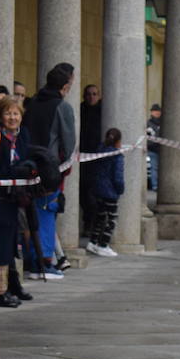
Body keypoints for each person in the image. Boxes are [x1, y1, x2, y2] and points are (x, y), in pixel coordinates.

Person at [0, 94, 38, 308]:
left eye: (16, 113)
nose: (12, 117)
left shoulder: (24, 136)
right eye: (8, 113)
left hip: (16, 197)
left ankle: (7, 288)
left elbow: (28, 157)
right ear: (0, 115)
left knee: (10, 242)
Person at [22, 63, 76, 280]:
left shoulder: (32, 103)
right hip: (49, 168)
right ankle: (43, 264)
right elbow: (69, 142)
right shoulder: (62, 107)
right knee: (46, 214)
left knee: (32, 214)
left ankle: (33, 260)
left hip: (27, 165)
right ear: (64, 86)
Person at [86, 127, 124, 258]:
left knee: (99, 217)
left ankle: (93, 241)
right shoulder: (117, 156)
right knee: (111, 219)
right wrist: (120, 189)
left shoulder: (100, 151)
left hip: (98, 189)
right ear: (118, 142)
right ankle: (103, 245)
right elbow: (118, 176)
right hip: (110, 191)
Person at [79, 83, 103, 244]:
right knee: (83, 193)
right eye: (89, 94)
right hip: (81, 156)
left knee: (94, 195)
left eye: (95, 94)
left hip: (97, 157)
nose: (91, 97)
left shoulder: (103, 111)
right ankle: (88, 222)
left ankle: (94, 224)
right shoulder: (80, 109)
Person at [146, 103, 163, 191]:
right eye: (154, 111)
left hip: (162, 149)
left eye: (158, 111)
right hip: (152, 149)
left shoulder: (163, 123)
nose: (156, 113)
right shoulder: (148, 123)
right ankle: (155, 185)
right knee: (154, 168)